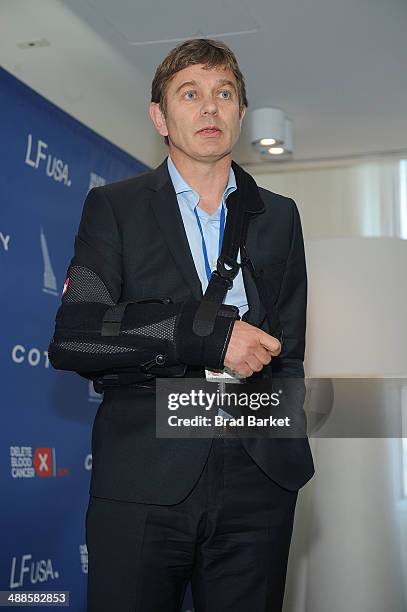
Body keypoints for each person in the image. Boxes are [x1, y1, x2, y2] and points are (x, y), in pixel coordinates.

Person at [48, 38, 314, 612]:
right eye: (189, 94)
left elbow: (288, 350)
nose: (209, 107)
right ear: (160, 116)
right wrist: (210, 337)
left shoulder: (280, 216)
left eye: (224, 94)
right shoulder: (114, 207)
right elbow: (77, 333)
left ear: (241, 113)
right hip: (145, 474)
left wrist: (283, 447)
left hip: (259, 477)